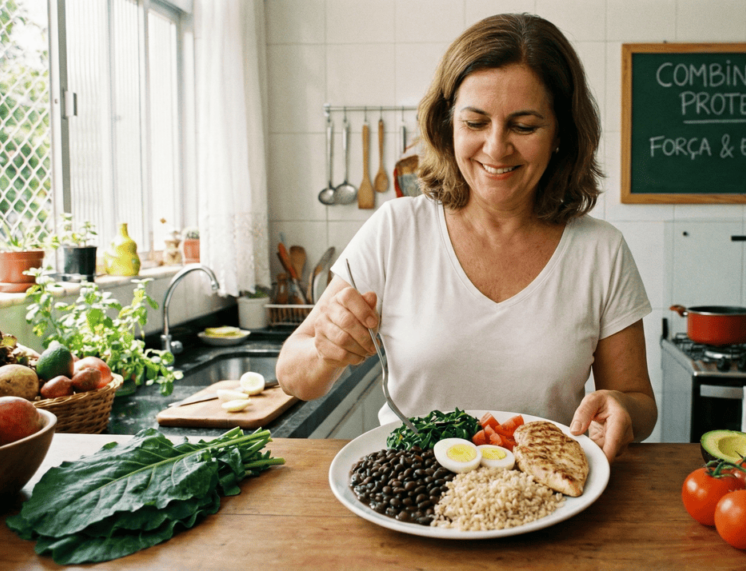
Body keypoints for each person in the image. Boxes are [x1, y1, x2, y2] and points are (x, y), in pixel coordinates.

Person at [276, 13, 657, 462]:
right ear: (447, 124)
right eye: (475, 123)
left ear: (561, 136)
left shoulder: (601, 251)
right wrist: (327, 349)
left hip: (543, 495)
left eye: (524, 126)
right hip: (408, 488)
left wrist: (622, 408)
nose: (496, 148)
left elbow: (639, 403)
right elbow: (292, 374)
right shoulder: (395, 230)